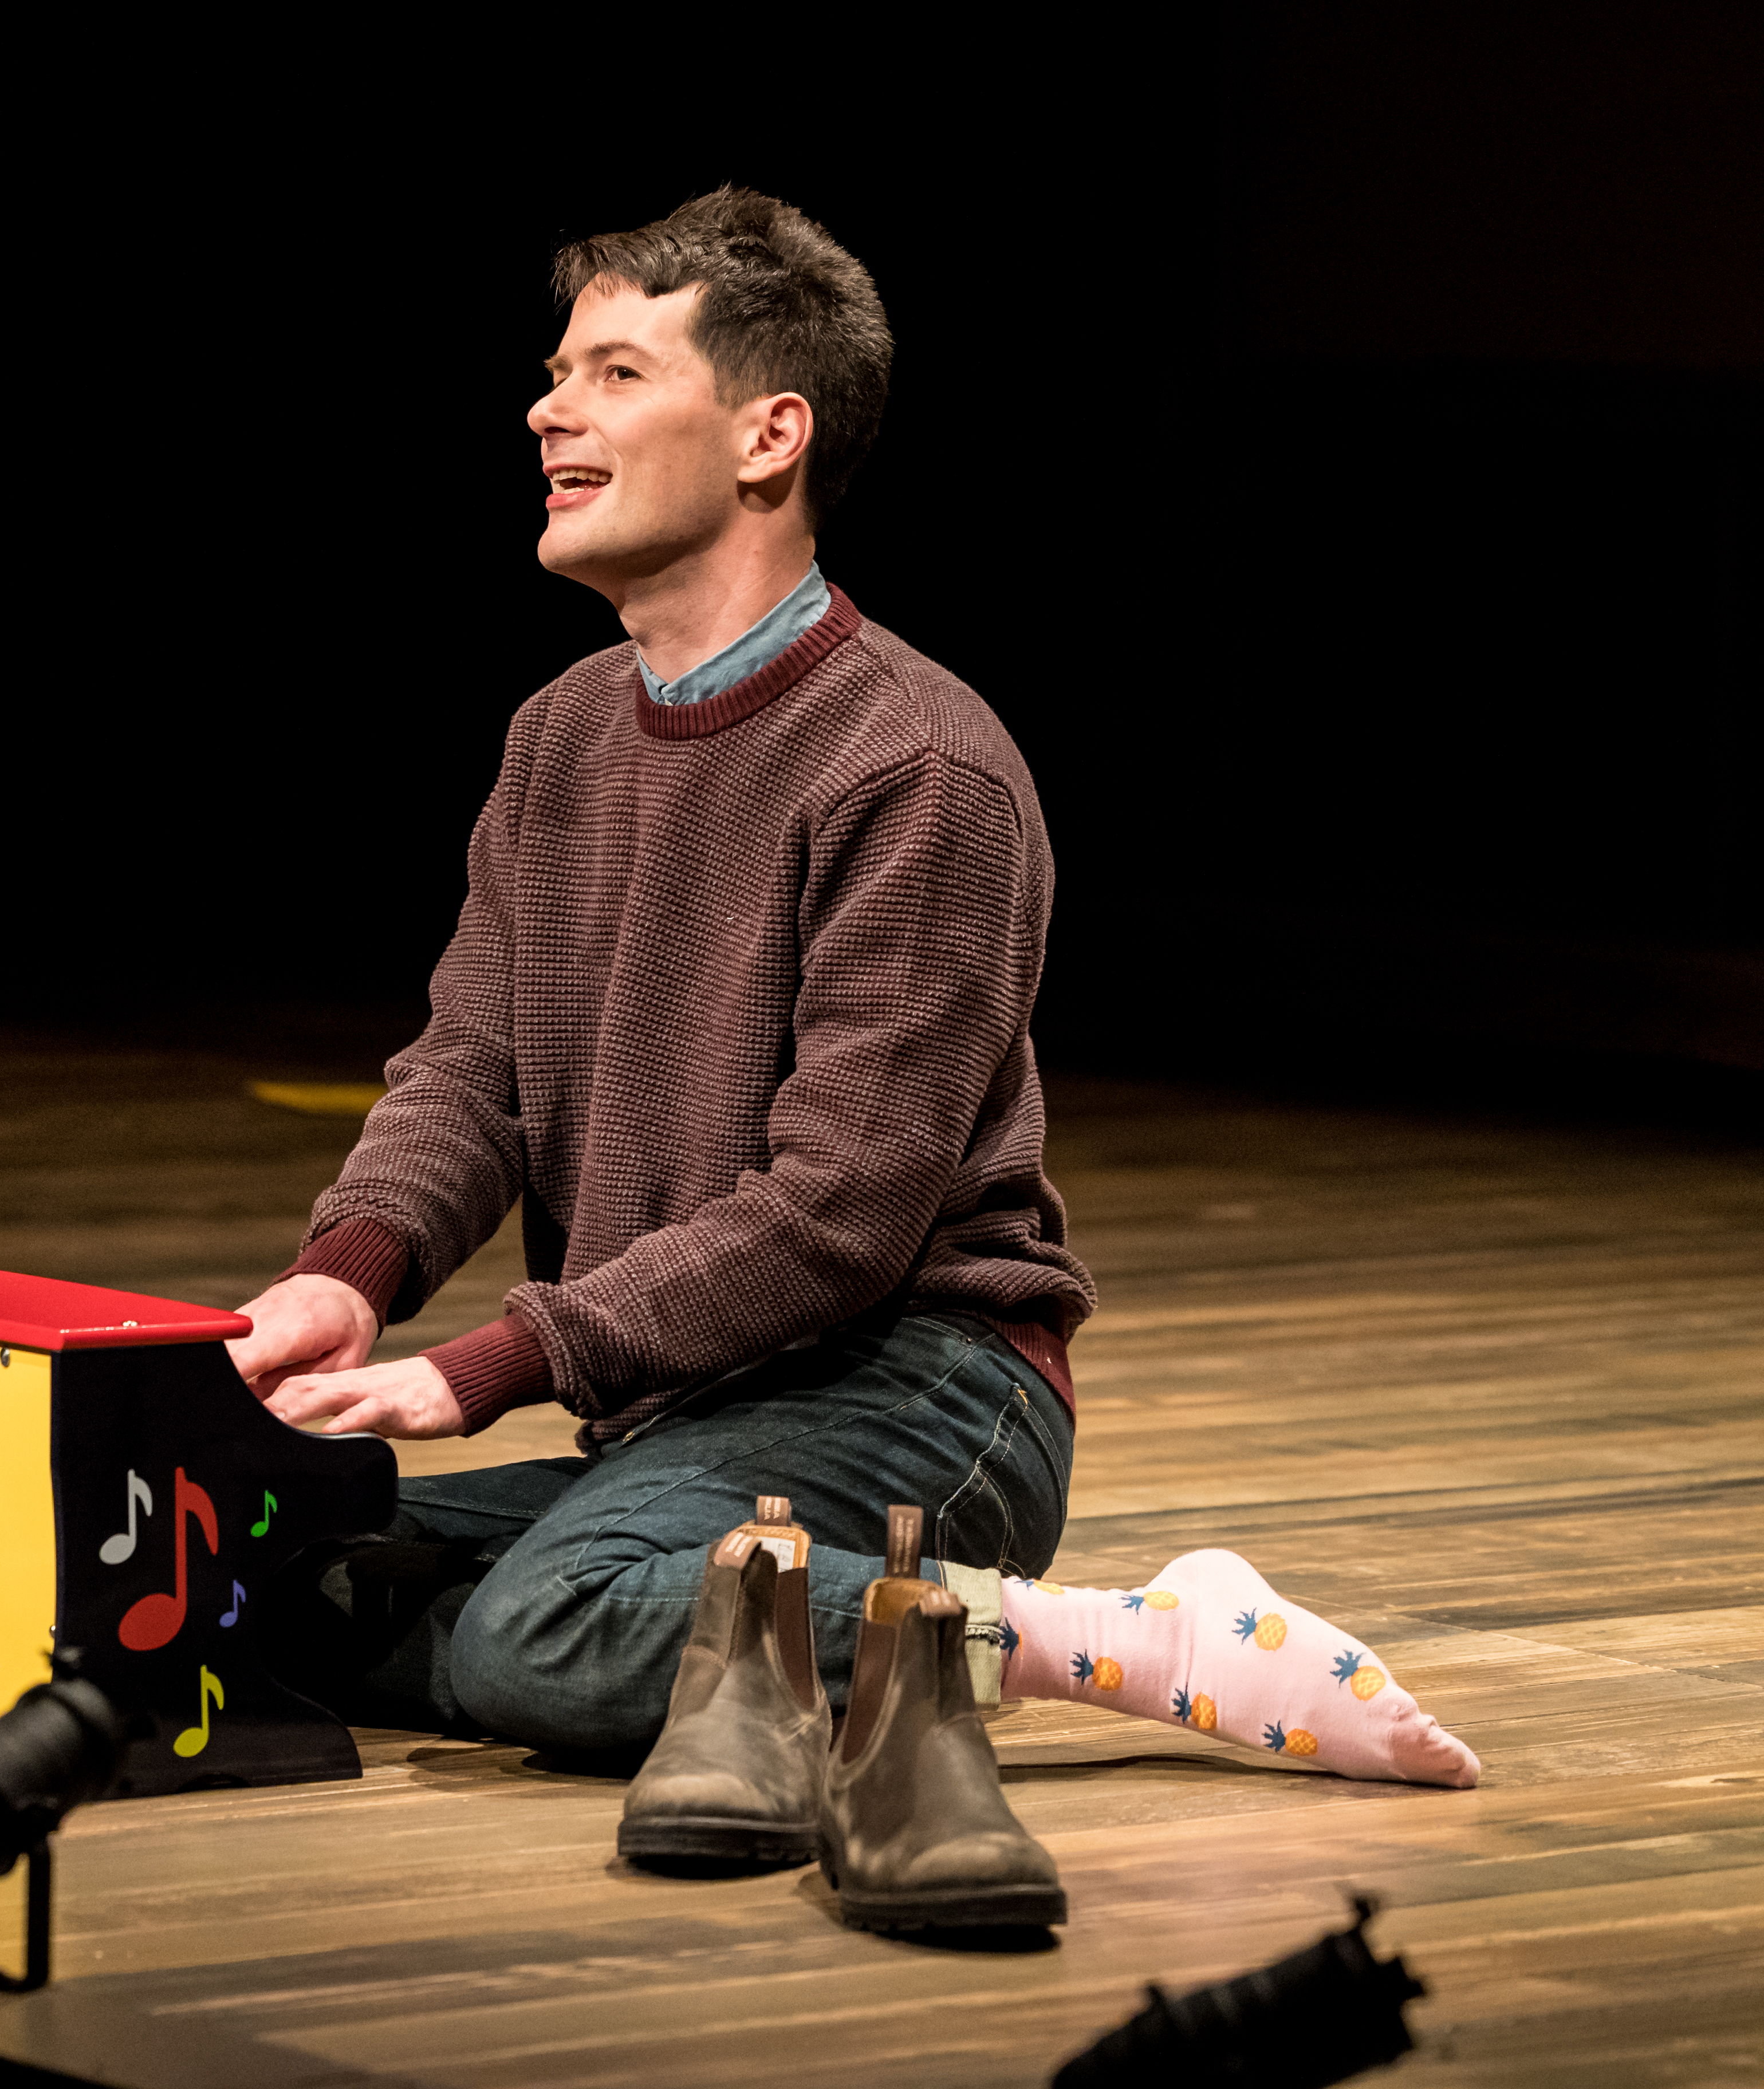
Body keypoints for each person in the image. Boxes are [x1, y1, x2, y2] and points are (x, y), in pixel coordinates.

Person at [220, 187, 1475, 1814]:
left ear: (769, 437)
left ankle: (1120, 1638)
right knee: (263, 1579)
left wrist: (490, 1365)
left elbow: (839, 1213)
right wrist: (352, 1274)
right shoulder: (558, 740)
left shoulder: (917, 762)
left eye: (610, 373)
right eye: (553, 372)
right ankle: (730, 1634)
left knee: (541, 1637)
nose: (547, 408)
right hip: (682, 1415)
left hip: (916, 1392)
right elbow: (474, 1073)